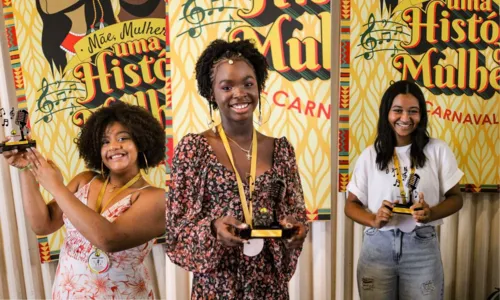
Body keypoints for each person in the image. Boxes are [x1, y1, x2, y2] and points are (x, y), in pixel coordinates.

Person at [165, 39, 308, 299]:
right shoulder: (193, 150)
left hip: (269, 286)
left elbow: (296, 214)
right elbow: (176, 231)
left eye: (248, 83)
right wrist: (213, 229)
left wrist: (295, 229)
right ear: (211, 93)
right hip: (217, 287)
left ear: (259, 87)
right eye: (227, 86)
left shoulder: (282, 150)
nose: (239, 93)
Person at [2, 101, 166, 299]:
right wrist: (26, 168)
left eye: (123, 138)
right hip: (66, 292)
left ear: (141, 142)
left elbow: (108, 239)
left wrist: (56, 187)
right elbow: (42, 225)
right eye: (105, 142)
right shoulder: (85, 180)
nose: (114, 146)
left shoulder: (155, 198)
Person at [345, 80, 464, 300]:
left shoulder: (437, 150)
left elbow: (456, 198)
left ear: (422, 115)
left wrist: (431, 214)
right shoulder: (371, 154)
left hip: (421, 246)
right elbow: (350, 205)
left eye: (413, 111)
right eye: (398, 110)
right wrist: (373, 219)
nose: (405, 118)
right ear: (386, 113)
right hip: (377, 246)